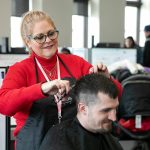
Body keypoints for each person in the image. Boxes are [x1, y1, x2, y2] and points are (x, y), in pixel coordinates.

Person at [0, 10, 122, 150]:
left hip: (74, 144)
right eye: (40, 37)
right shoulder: (20, 70)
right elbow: (3, 105)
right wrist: (41, 89)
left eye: (51, 33)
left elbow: (116, 95)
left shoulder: (76, 63)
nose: (48, 40)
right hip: (35, 145)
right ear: (28, 41)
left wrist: (107, 78)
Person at [39, 73, 123, 150]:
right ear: (83, 109)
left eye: (115, 108)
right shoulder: (59, 142)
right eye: (106, 110)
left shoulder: (107, 135)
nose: (114, 118)